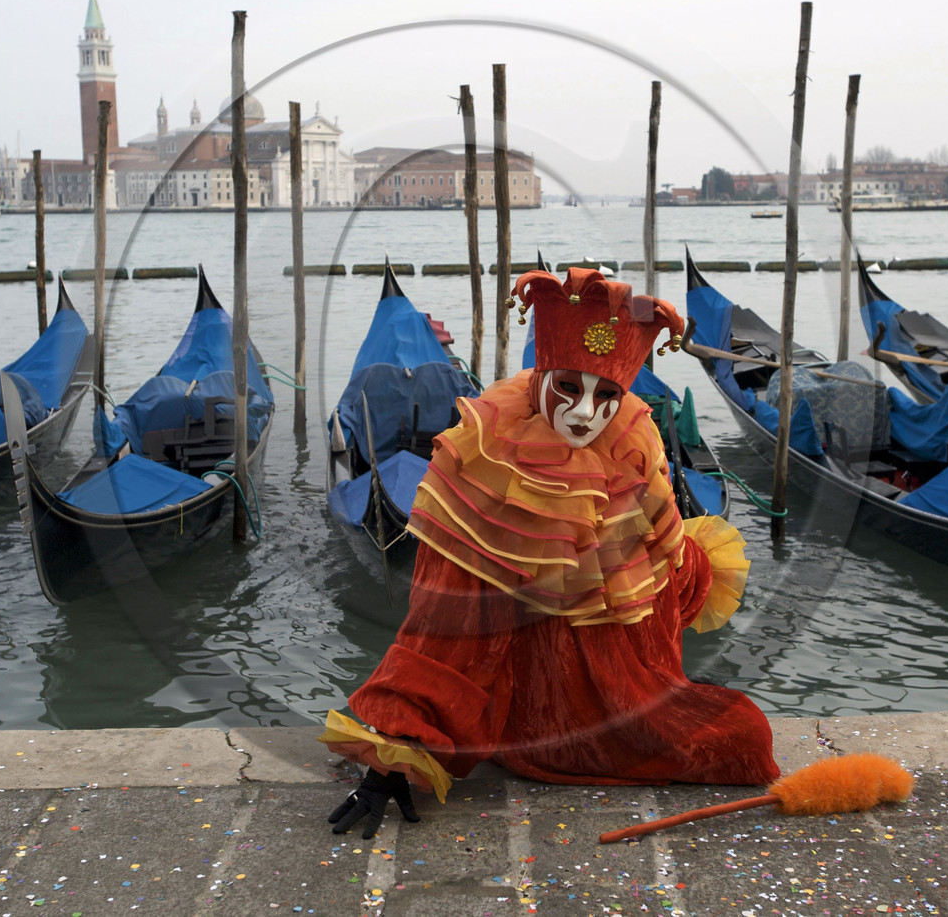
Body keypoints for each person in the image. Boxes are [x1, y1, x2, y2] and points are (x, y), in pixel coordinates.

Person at [322, 267, 778, 838]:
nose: (586, 413)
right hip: (522, 717)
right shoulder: (486, 464)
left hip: (617, 699)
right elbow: (444, 626)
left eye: (606, 394)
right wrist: (396, 753)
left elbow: (665, 582)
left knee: (744, 738)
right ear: (541, 378)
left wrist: (686, 563)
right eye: (569, 387)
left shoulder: (635, 452)